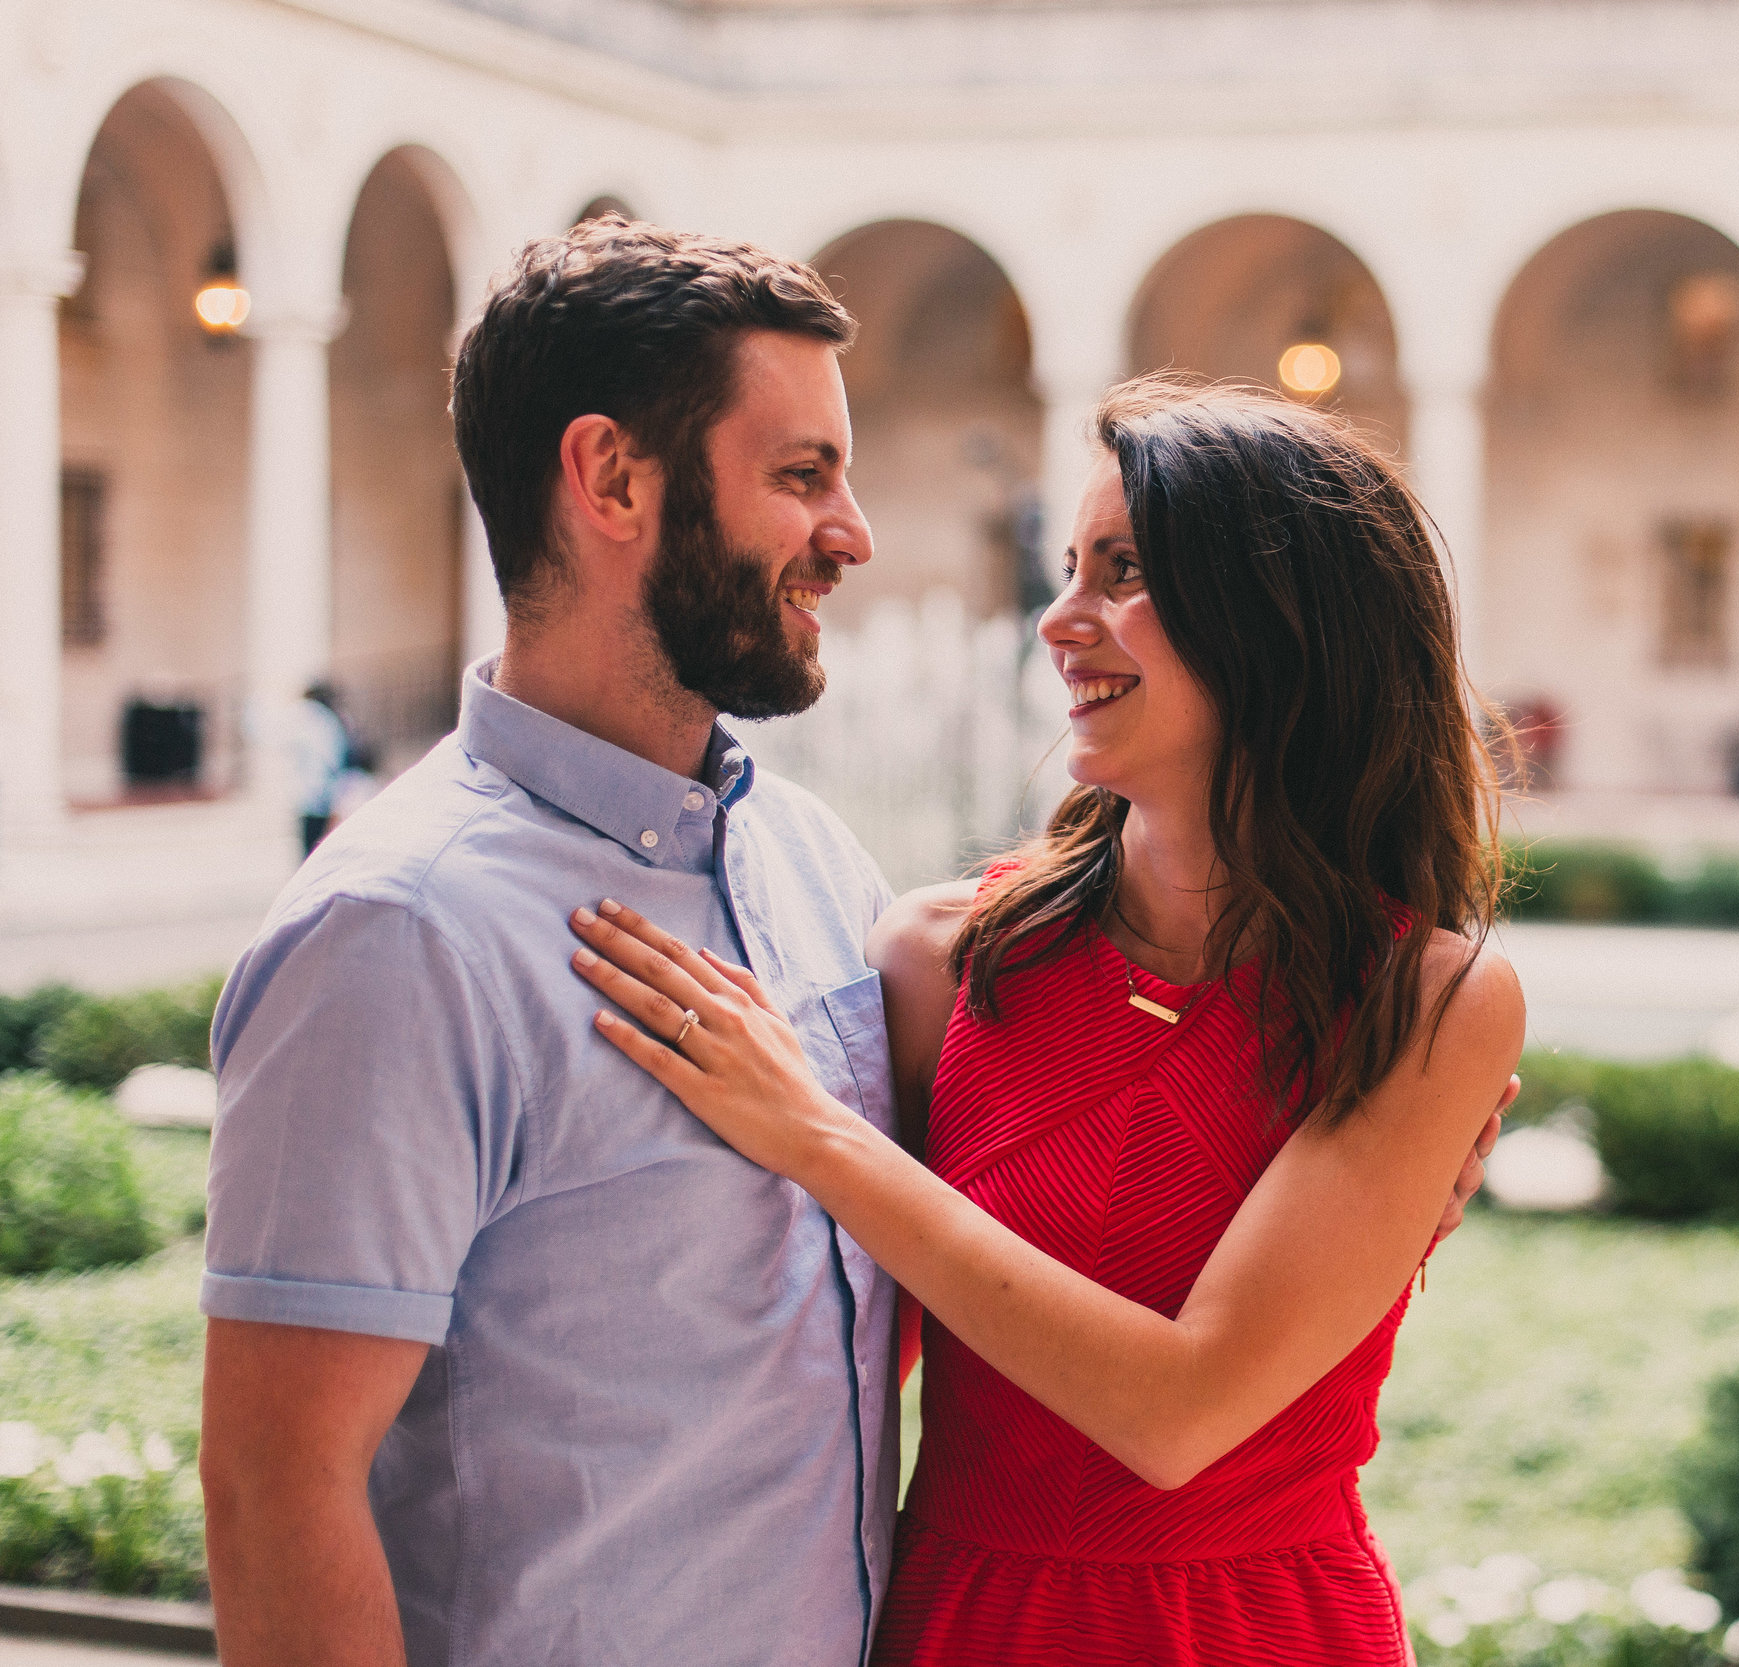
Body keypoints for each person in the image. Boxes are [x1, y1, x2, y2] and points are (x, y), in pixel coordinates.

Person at [197, 220, 1499, 1667]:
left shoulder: (821, 878)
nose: (856, 533)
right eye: (804, 474)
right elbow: (274, 1488)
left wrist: (1357, 1194)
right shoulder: (400, 926)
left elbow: (919, 1289)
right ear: (613, 479)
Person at [568, 376, 1526, 1663]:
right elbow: (845, 1358)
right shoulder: (936, 957)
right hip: (966, 1619)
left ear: (1283, 622)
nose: (1060, 622)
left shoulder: (1431, 998)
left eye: (1123, 572)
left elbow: (1182, 1409)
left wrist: (812, 1132)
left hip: (1256, 1629)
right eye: (1069, 569)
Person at [286, 682, 351, 858]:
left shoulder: (313, 718)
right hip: (324, 792)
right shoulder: (331, 721)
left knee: (311, 846)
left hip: (314, 794)